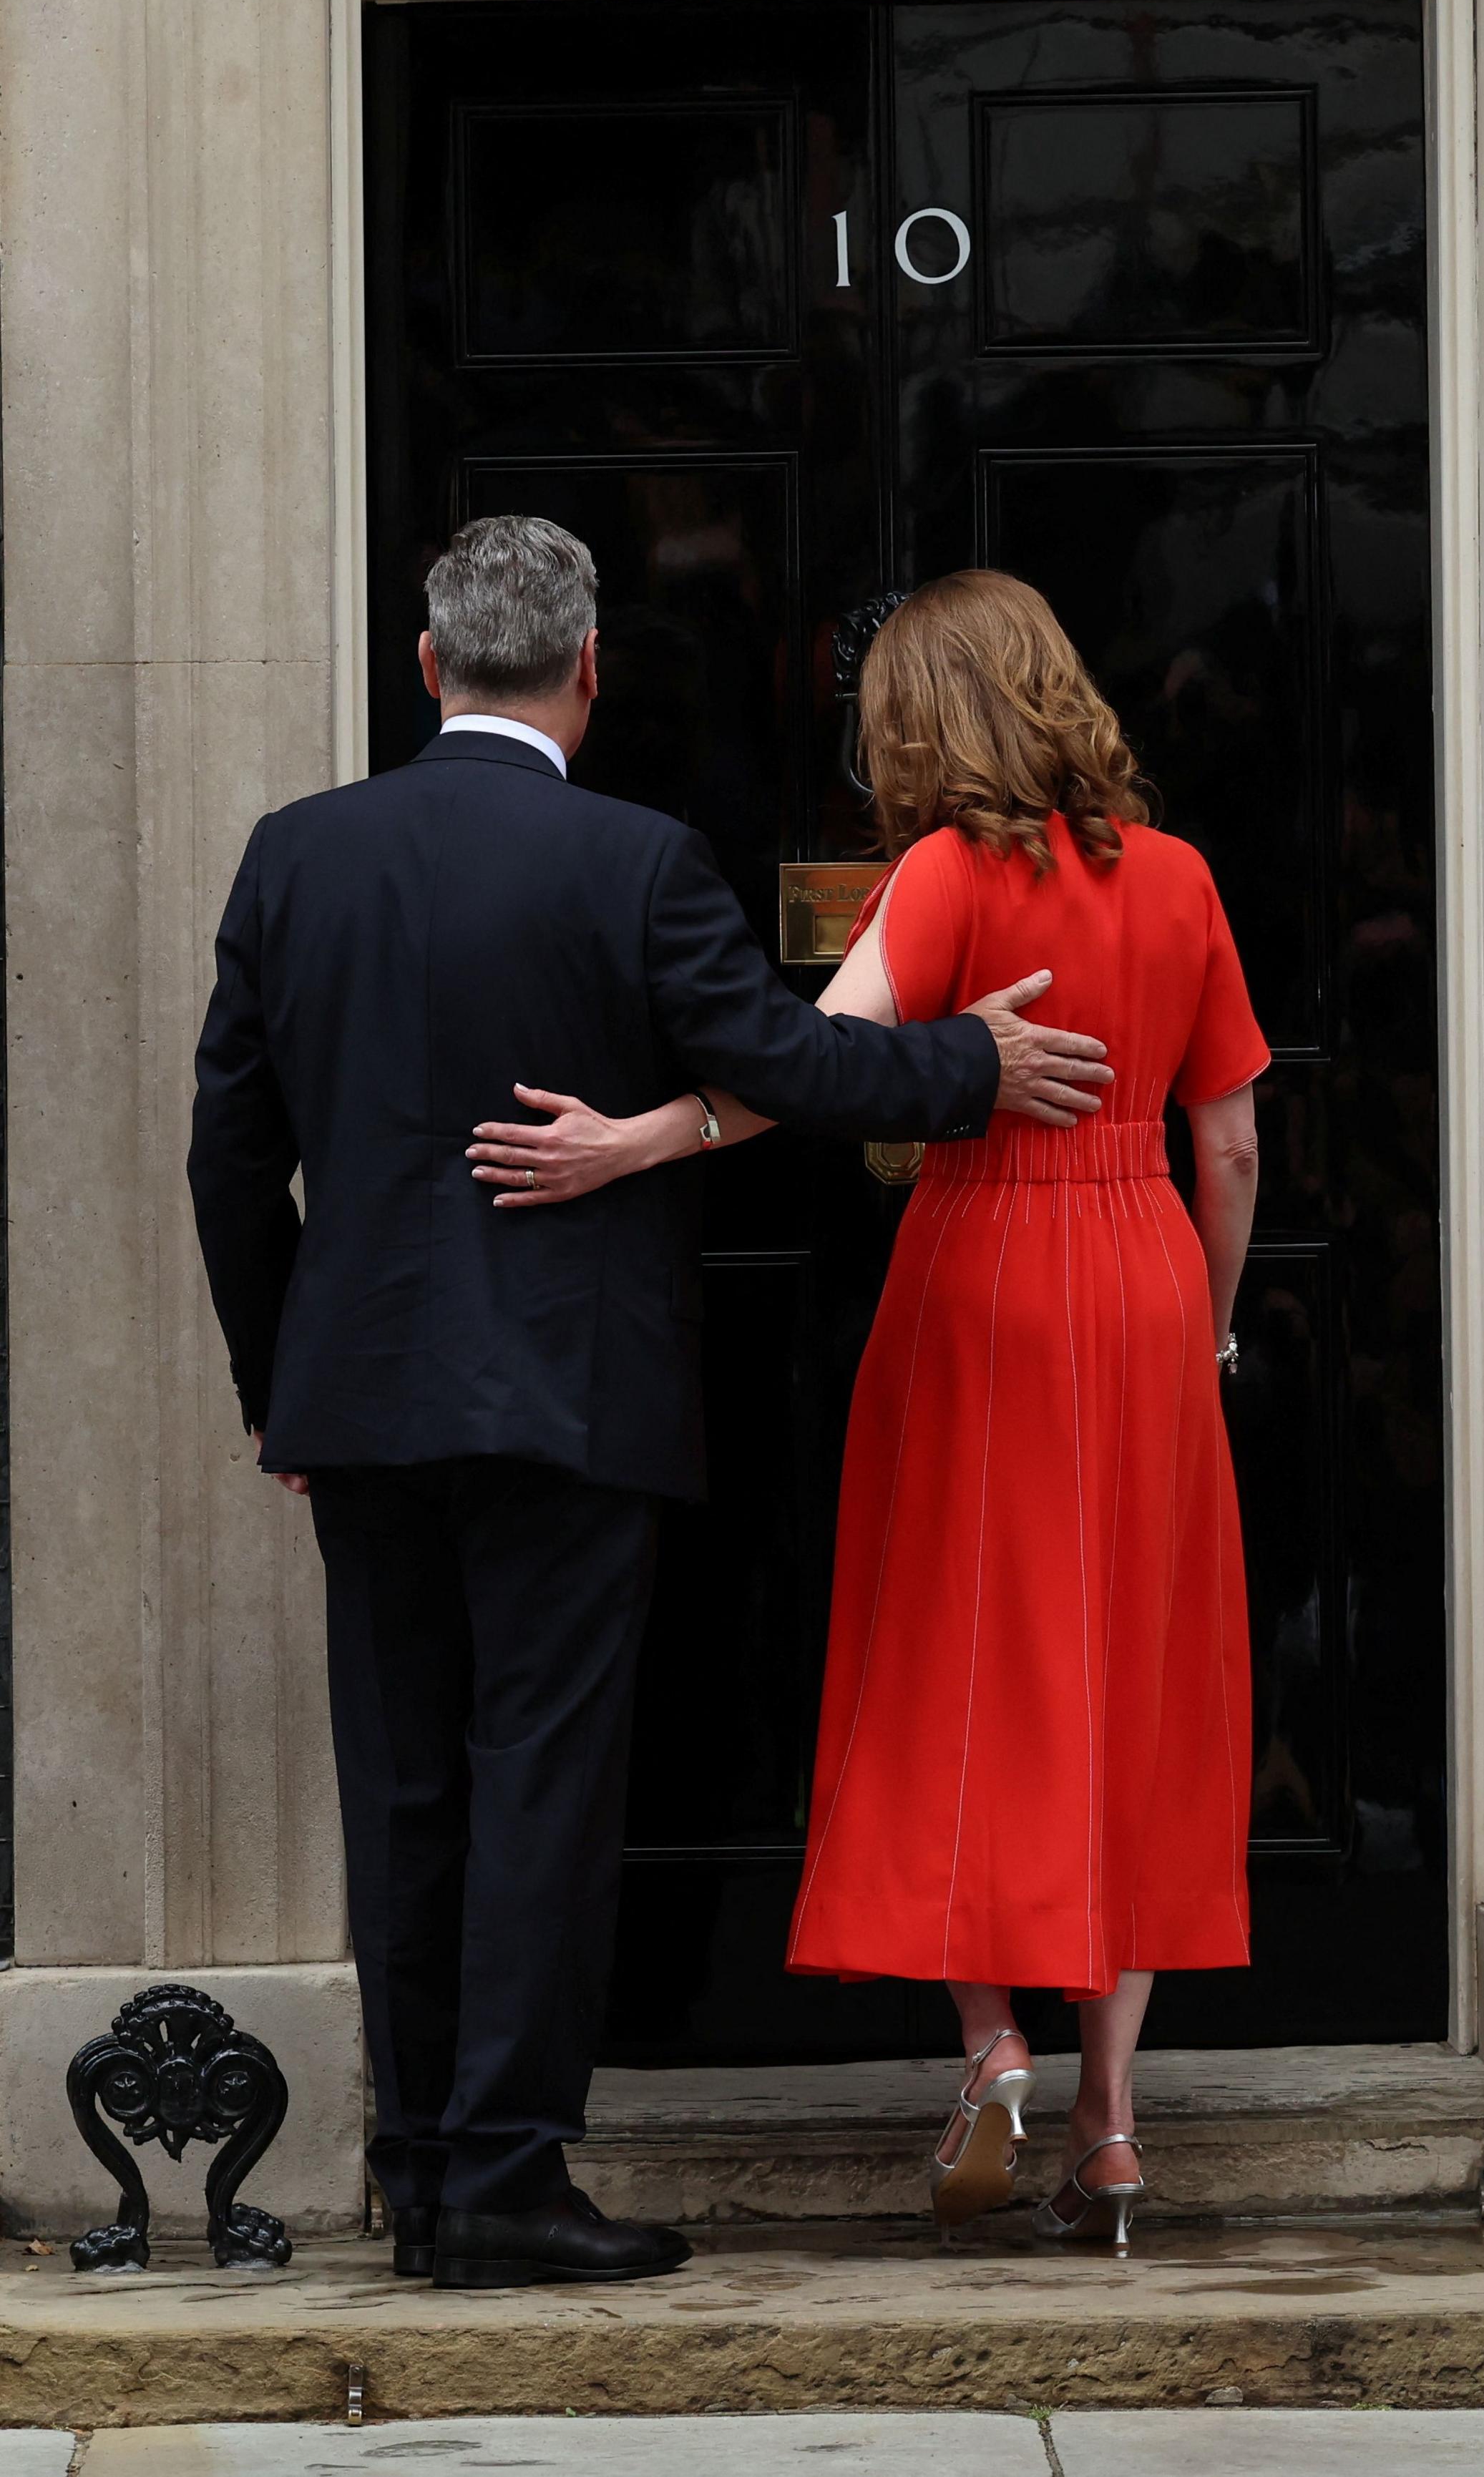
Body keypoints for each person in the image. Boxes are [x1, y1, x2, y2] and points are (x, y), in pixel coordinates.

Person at [186, 520, 1113, 2294]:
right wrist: (969, 1064)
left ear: (429, 663)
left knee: (403, 1792)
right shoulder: (629, 860)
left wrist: (272, 1387)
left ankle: (418, 2176)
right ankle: (509, 2178)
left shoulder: (297, 857)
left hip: (362, 1408)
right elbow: (778, 1063)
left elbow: (230, 1159)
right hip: (562, 1400)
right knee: (538, 1786)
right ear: (589, 670)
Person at [504, 570, 1266, 2253]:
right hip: (1141, 1280)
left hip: (978, 1279)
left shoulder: (941, 875)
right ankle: (1114, 2125)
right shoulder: (1184, 878)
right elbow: (1226, 1145)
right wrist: (1200, 1337)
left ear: (920, 720)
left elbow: (793, 1067)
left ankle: (990, 2039)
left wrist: (624, 1143)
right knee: (1129, 1681)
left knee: (954, 1656)